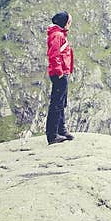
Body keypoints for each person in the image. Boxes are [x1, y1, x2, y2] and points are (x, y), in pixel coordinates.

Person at [45, 11, 75, 145]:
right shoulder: (57, 35)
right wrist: (60, 72)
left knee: (61, 102)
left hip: (62, 72)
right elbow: (54, 55)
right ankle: (52, 134)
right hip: (59, 74)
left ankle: (61, 130)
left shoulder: (59, 34)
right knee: (57, 104)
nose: (70, 25)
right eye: (69, 22)